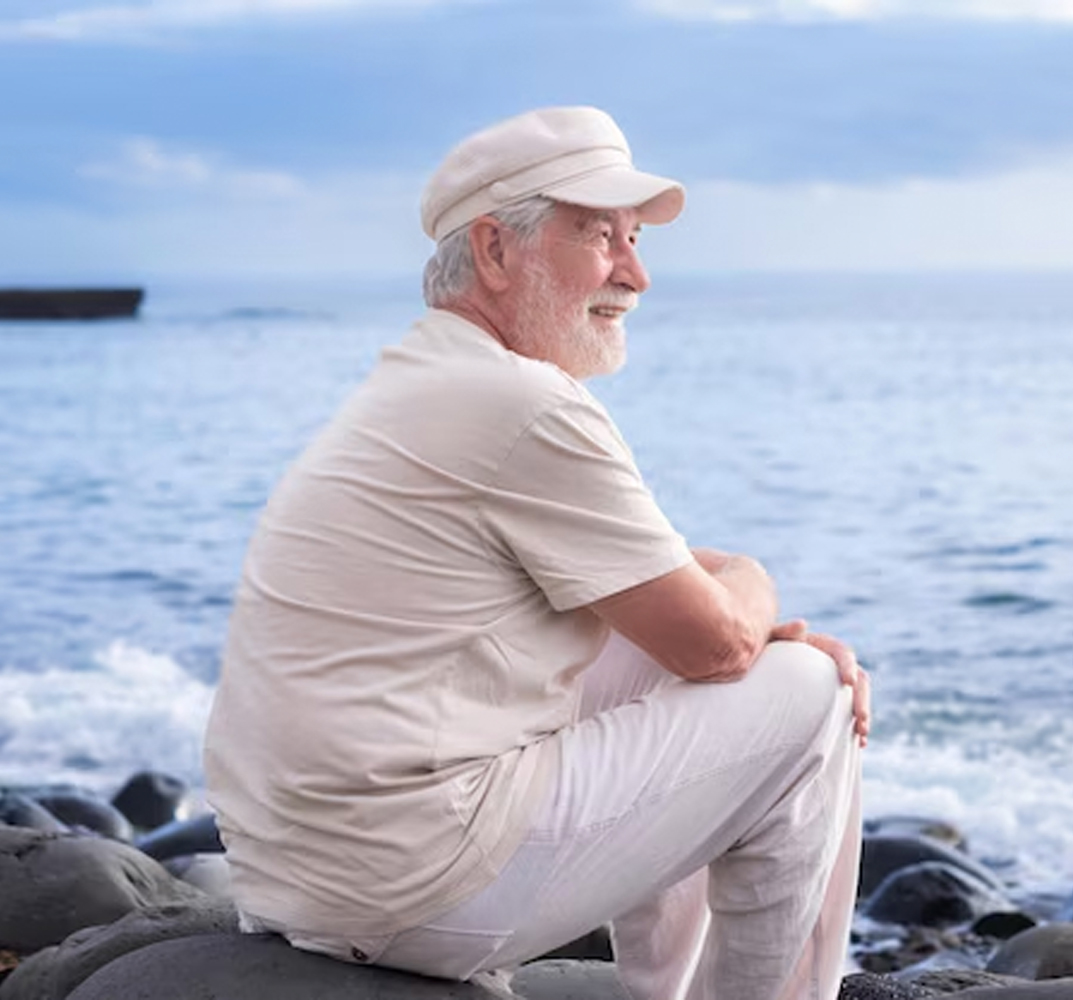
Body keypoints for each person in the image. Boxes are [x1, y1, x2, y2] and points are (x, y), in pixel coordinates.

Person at [203, 105, 870, 1000]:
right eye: (601, 238)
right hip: (403, 887)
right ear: (495, 251)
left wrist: (728, 615)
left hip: (297, 872)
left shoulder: (424, 379)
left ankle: (654, 992)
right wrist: (752, 584)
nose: (635, 274)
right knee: (810, 693)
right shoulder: (525, 405)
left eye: (635, 240)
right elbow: (713, 643)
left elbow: (653, 598)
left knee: (662, 647)